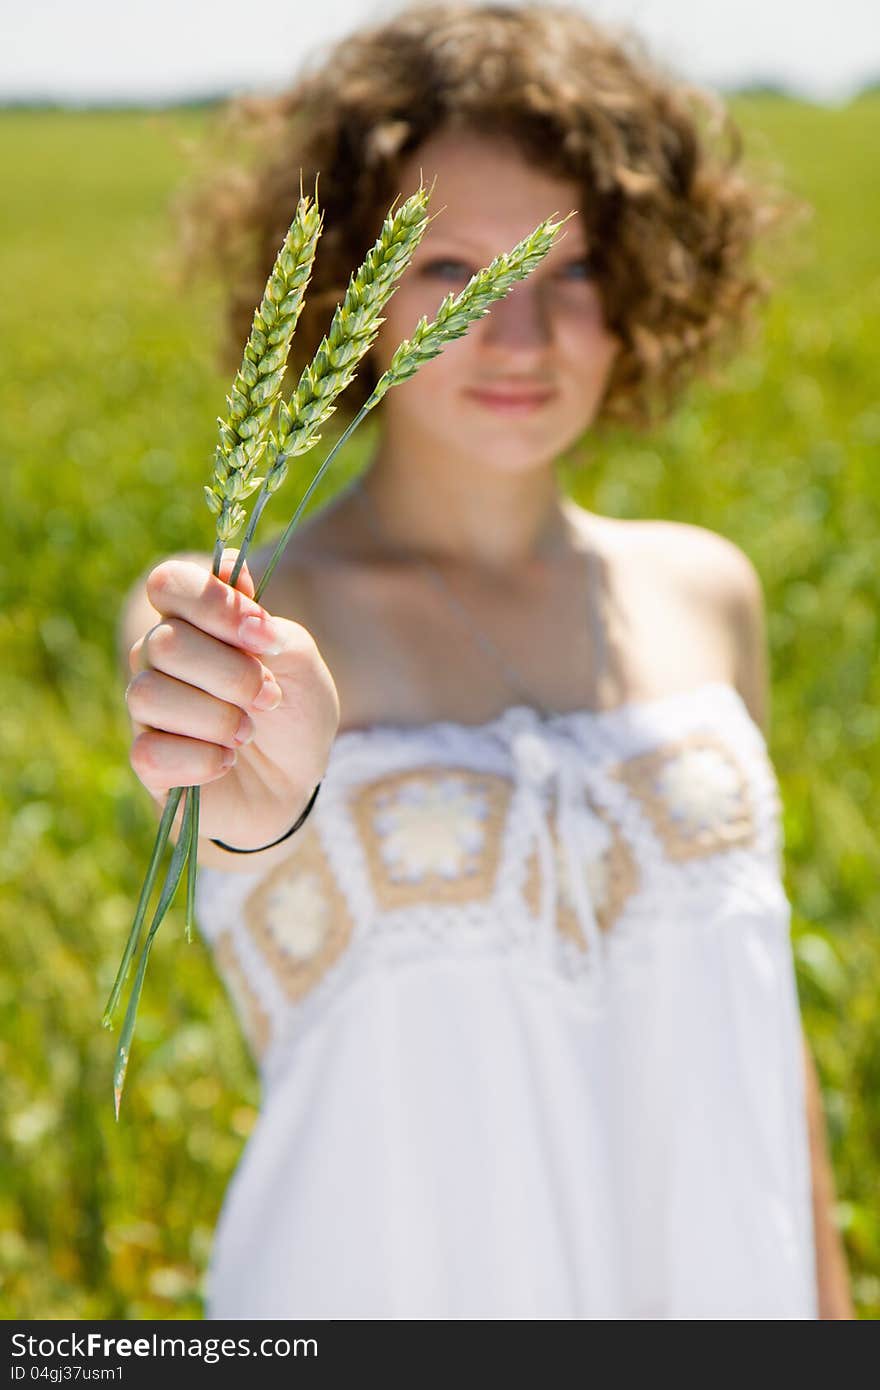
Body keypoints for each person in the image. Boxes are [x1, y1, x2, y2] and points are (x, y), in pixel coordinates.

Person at [119, 2, 853, 1318]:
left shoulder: (705, 591)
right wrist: (260, 768)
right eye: (454, 269)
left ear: (640, 290)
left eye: (568, 271)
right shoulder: (248, 617)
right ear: (353, 289)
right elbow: (231, 813)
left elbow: (763, 1030)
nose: (519, 333)